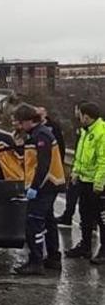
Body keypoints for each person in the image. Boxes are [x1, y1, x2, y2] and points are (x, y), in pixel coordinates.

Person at [13, 104, 65, 275]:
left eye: (20, 123)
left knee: (34, 222)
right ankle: (53, 258)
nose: (18, 126)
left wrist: (34, 187)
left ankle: (36, 261)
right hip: (50, 184)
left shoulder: (41, 135)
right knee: (49, 221)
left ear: (29, 121)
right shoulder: (36, 134)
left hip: (45, 185)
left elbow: (43, 164)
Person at [64, 102, 105, 265]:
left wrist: (99, 182)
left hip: (97, 184)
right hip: (84, 181)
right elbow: (81, 157)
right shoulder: (86, 132)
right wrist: (76, 172)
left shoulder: (101, 132)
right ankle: (85, 246)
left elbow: (103, 160)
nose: (78, 117)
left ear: (86, 116)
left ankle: (103, 249)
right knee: (85, 216)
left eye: (80, 115)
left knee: (101, 219)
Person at [56, 101, 87, 226]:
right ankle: (68, 216)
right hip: (78, 166)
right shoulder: (79, 127)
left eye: (76, 110)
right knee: (72, 195)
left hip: (86, 170)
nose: (75, 112)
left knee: (85, 200)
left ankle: (90, 224)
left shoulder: (89, 129)